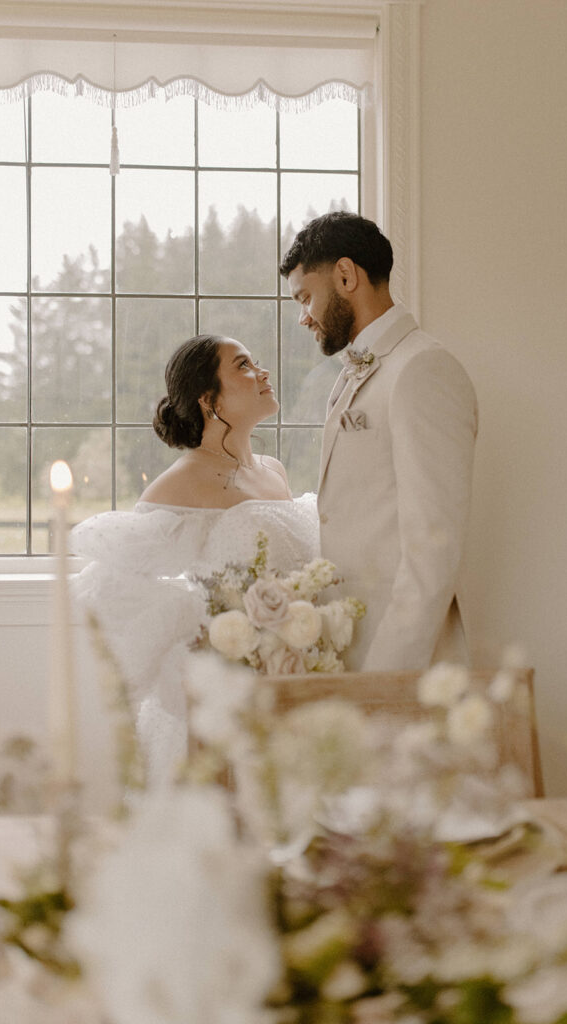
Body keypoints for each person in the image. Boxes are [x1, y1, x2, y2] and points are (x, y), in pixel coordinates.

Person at [71, 334, 320, 782]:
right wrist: (196, 625)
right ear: (209, 399)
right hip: (226, 693)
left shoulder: (274, 471)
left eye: (256, 361)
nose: (262, 372)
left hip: (295, 677)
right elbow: (116, 580)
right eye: (243, 365)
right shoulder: (182, 482)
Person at [280, 211, 478, 672]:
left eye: (305, 297)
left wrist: (385, 675)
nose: (303, 317)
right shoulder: (357, 371)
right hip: (349, 649)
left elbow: (434, 549)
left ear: (346, 275)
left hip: (400, 663)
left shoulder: (422, 370)